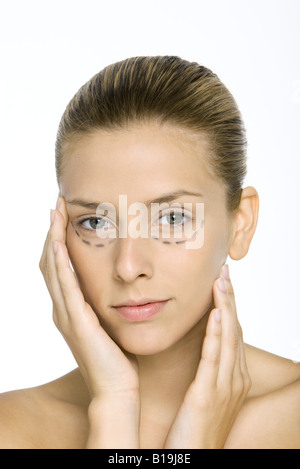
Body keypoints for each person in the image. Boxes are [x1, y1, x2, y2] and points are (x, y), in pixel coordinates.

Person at [0, 56, 299, 449]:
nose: (128, 267)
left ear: (240, 224)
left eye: (172, 218)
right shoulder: (12, 429)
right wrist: (114, 407)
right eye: (96, 222)